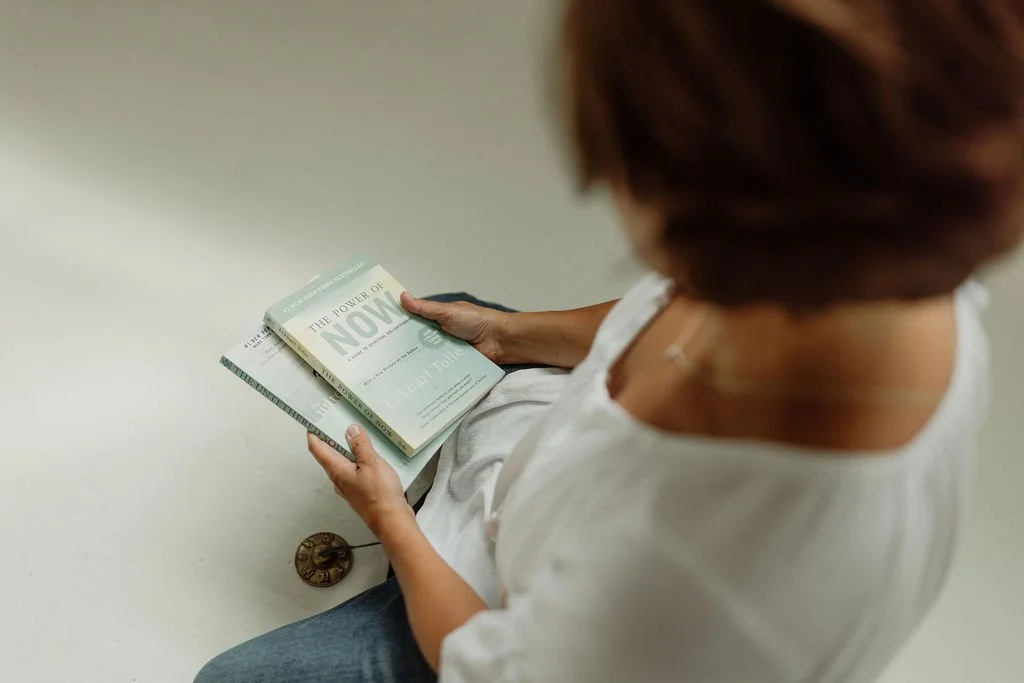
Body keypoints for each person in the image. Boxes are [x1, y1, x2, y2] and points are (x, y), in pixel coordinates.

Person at [196, 0, 1024, 681]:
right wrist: (508, 333)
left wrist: (392, 523)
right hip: (553, 522)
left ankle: (412, 539)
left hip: (525, 630)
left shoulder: (702, 579)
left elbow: (496, 669)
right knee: (446, 315)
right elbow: (665, 310)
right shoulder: (883, 251)